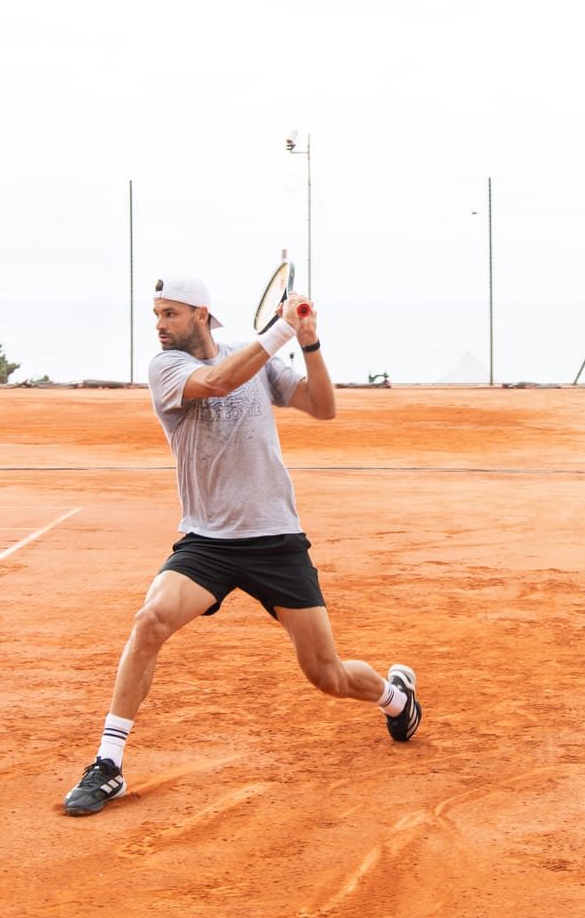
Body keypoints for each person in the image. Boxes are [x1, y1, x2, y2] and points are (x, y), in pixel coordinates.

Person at [63, 275, 421, 816]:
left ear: (201, 315)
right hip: (209, 541)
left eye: (171, 314)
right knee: (150, 621)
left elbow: (322, 406)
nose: (159, 325)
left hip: (276, 539)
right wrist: (281, 329)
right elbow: (216, 384)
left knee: (326, 675)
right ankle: (108, 763)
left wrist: (308, 341)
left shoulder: (249, 353)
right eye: (157, 314)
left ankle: (394, 697)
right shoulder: (168, 368)